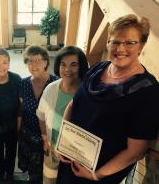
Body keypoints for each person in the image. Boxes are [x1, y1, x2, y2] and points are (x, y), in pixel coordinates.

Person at [56, 14, 159, 184]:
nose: (120, 48)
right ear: (108, 43)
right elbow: (74, 104)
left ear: (141, 46)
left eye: (130, 43)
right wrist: (63, 141)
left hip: (99, 173)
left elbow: (136, 151)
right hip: (71, 158)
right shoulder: (98, 68)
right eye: (115, 42)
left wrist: (96, 175)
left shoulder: (147, 91)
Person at [36, 46, 89, 183]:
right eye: (63, 64)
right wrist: (45, 138)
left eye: (74, 65)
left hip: (77, 157)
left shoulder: (88, 93)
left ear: (81, 66)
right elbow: (41, 116)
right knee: (49, 181)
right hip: (53, 150)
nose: (67, 70)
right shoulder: (51, 89)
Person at [18, 45, 58, 184]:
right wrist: (19, 132)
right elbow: (20, 109)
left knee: (48, 171)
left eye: (38, 60)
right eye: (29, 61)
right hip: (28, 134)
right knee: (32, 170)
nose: (33, 65)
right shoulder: (23, 83)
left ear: (46, 62)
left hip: (48, 137)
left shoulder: (56, 83)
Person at [0, 48, 21, 181]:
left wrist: (19, 124)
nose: (1, 66)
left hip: (12, 123)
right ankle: (0, 171)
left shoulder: (16, 79)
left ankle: (9, 171)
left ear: (9, 64)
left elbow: (20, 104)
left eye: (5, 62)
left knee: (11, 150)